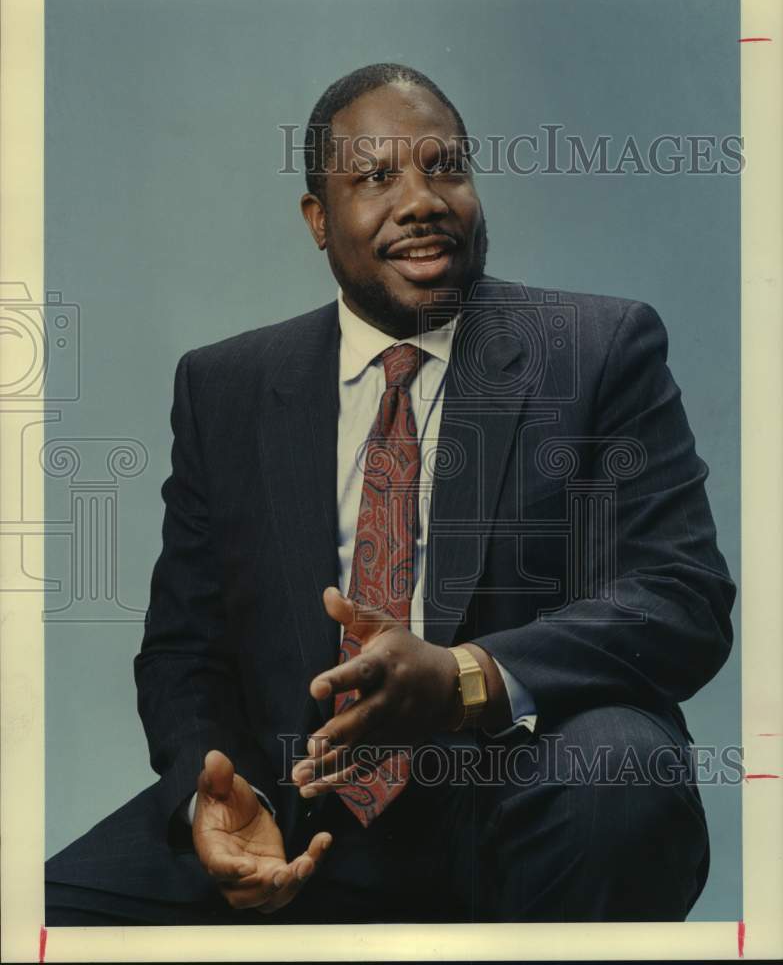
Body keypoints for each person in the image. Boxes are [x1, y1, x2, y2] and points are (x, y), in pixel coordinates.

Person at [45, 62, 735, 925]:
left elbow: (678, 601)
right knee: (49, 909)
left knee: (618, 770)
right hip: (298, 805)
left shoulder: (592, 352)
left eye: (445, 167)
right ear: (317, 221)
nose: (420, 198)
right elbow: (184, 650)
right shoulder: (225, 386)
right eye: (375, 177)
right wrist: (208, 793)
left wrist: (463, 677)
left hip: (526, 790)